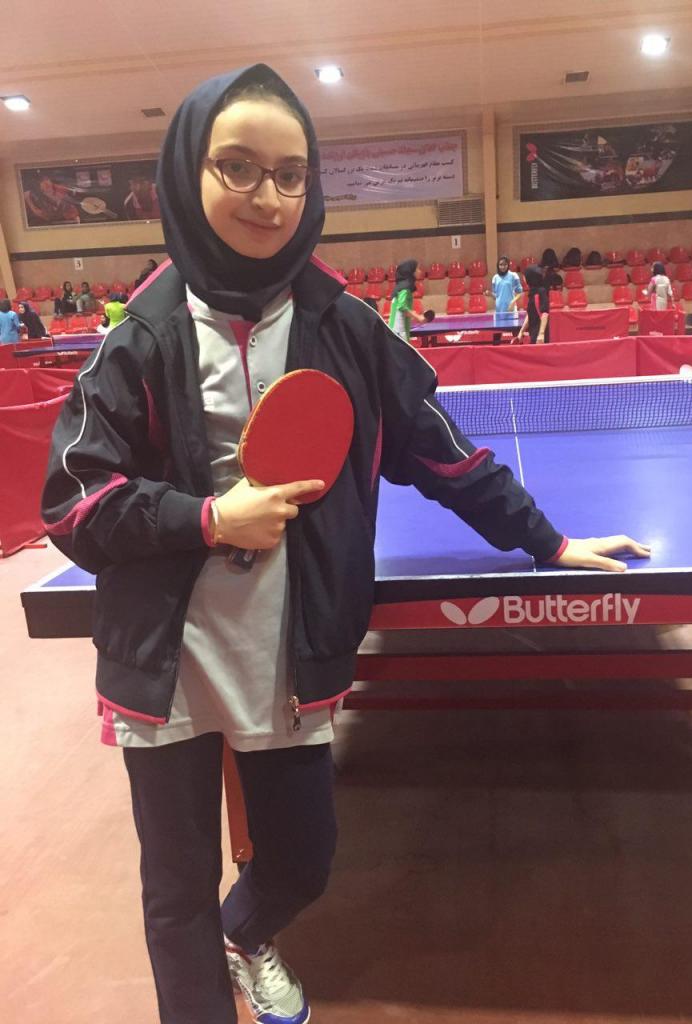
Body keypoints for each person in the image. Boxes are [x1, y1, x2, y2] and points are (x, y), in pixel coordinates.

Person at [40, 63, 649, 1024]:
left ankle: (245, 934)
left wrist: (548, 540)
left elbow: (442, 454)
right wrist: (208, 519)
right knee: (175, 891)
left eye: (290, 174)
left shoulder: (347, 327)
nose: (267, 197)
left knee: (303, 858)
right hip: (165, 661)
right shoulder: (141, 335)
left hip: (292, 650)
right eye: (237, 167)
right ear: (188, 173)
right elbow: (73, 505)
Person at [487, 256, 523, 344]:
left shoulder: (514, 276)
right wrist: (490, 294)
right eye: (501, 265)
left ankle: (519, 350)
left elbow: (520, 292)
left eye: (505, 264)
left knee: (516, 335)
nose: (503, 267)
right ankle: (495, 351)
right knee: (496, 339)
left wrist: (513, 302)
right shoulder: (495, 278)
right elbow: (496, 296)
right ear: (498, 265)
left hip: (511, 311)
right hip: (499, 312)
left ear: (508, 265)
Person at [387, 258, 425, 342]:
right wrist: (418, 317)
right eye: (417, 269)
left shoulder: (401, 286)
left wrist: (412, 314)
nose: (420, 271)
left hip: (398, 329)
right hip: (399, 330)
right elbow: (401, 307)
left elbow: (402, 309)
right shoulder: (405, 288)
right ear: (411, 272)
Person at [517, 264, 550, 344]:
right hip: (533, 333)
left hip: (540, 336)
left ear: (530, 278)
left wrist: (541, 334)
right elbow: (530, 314)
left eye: (525, 276)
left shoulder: (541, 292)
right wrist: (521, 331)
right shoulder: (532, 292)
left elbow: (545, 313)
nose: (523, 278)